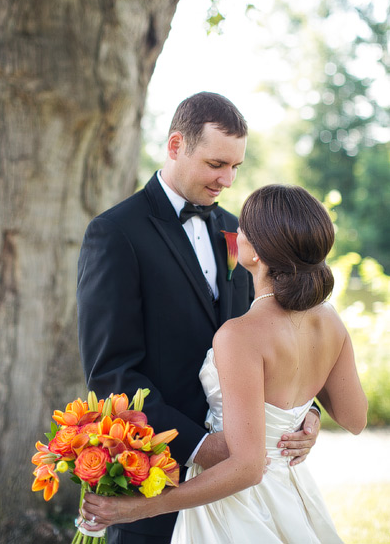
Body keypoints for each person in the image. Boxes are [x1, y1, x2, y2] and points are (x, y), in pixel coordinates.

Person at [76, 92, 321, 543]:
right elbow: (111, 373)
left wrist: (305, 415)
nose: (228, 179)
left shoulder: (241, 232)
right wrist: (201, 446)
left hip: (243, 493)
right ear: (176, 146)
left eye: (236, 166)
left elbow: (276, 332)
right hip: (157, 480)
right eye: (216, 164)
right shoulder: (115, 233)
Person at [81, 184, 368, 543]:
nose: (234, 232)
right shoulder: (330, 320)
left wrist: (140, 508)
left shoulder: (239, 335)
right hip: (290, 493)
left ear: (256, 253)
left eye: (242, 229)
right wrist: (302, 411)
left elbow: (247, 468)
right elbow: (355, 419)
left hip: (234, 506)